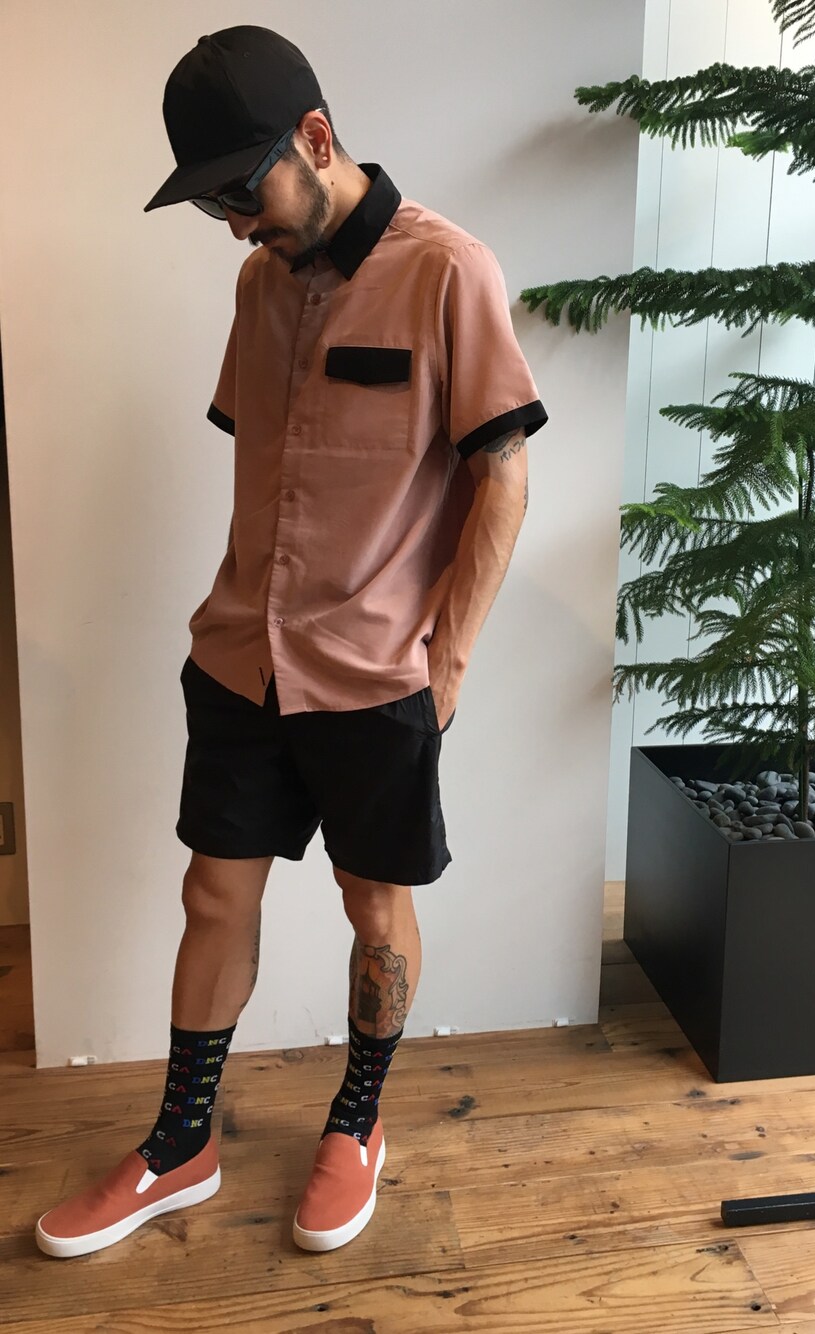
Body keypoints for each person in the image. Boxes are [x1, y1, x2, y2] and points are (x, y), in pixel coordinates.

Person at [35, 24, 547, 1259]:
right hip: (238, 655)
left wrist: (448, 663)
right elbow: (268, 461)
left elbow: (503, 475)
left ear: (315, 138)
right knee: (213, 891)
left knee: (374, 907)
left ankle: (357, 1122)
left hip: (374, 671)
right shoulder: (258, 285)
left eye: (240, 191)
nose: (229, 225)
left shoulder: (448, 271)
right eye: (209, 201)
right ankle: (181, 1140)